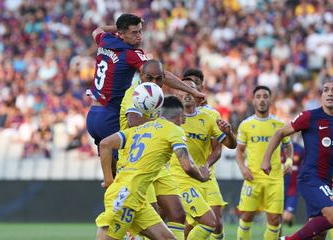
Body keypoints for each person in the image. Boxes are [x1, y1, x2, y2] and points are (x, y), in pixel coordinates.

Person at [86, 13, 204, 162]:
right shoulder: (131, 54)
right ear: (121, 34)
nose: (139, 36)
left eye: (140, 31)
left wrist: (121, 26)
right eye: (134, 32)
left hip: (93, 115)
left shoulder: (106, 40)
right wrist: (193, 91)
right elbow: (161, 74)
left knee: (112, 174)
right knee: (127, 168)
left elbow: (97, 30)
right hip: (109, 116)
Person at [96, 96, 210, 240]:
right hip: (127, 196)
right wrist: (202, 175)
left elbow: (105, 144)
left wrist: (108, 181)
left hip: (137, 199)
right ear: (180, 116)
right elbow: (187, 166)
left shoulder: (140, 129)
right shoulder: (174, 130)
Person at [97, 59, 186, 240]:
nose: (153, 83)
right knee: (146, 214)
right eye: (149, 78)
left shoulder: (157, 98)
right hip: (134, 167)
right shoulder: (135, 94)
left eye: (158, 79)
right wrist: (163, 128)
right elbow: (133, 121)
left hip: (156, 164)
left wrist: (192, 92)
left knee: (177, 213)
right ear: (140, 76)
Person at [261, 80, 333, 240]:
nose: (330, 93)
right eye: (326, 90)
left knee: (320, 235)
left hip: (327, 182)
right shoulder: (310, 116)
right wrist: (266, 159)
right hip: (310, 178)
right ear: (321, 96)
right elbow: (279, 133)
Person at [170, 79, 237, 240]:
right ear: (177, 93)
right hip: (178, 179)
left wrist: (228, 132)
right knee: (204, 222)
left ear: (197, 94)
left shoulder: (207, 118)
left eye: (191, 89)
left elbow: (230, 145)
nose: (187, 93)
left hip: (202, 176)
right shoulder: (170, 118)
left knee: (212, 222)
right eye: (183, 90)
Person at [236, 85, 293, 240]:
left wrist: (288, 160)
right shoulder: (245, 125)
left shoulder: (280, 124)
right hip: (252, 178)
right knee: (246, 216)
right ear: (253, 101)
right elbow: (239, 151)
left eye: (265, 96)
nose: (262, 99)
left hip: (275, 179)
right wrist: (242, 168)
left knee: (275, 220)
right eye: (258, 96)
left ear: (270, 100)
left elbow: (288, 146)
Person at [182, 68, 228, 239]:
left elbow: (220, 147)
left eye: (194, 85)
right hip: (181, 176)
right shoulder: (172, 115)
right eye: (185, 86)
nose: (190, 90)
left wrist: (206, 165)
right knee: (188, 224)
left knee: (216, 220)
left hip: (206, 173)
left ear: (200, 86)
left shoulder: (211, 114)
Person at [281, 141, 304, 227]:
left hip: (292, 189)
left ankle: (290, 219)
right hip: (279, 188)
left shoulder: (300, 149)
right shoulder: (278, 149)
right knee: (276, 220)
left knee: (286, 218)